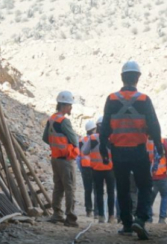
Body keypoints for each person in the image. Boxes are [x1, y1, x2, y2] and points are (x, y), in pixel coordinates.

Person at [100, 61, 162, 240]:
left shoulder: (111, 99)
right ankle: (140, 219)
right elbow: (154, 124)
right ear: (137, 78)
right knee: (144, 186)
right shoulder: (144, 100)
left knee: (123, 187)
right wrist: (158, 144)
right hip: (139, 151)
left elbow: (104, 127)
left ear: (122, 77)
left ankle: (127, 224)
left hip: (118, 151)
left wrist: (104, 149)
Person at [42, 90, 79, 227]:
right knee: (70, 188)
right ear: (64, 105)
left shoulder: (51, 118)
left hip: (55, 158)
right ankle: (70, 218)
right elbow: (74, 140)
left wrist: (56, 146)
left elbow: (45, 138)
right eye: (70, 105)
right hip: (65, 159)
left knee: (58, 187)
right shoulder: (64, 121)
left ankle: (57, 213)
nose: (71, 108)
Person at [82, 117, 116, 223]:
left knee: (99, 192)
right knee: (111, 192)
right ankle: (111, 216)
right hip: (110, 170)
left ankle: (101, 216)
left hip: (96, 170)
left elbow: (85, 151)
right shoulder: (112, 138)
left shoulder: (92, 138)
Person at [147, 138, 167, 224]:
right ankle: (162, 218)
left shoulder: (145, 140)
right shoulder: (162, 141)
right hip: (162, 175)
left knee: (149, 198)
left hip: (150, 176)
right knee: (165, 195)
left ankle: (149, 218)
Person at [79, 120, 97, 218]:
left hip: (85, 168)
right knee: (97, 190)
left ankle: (88, 210)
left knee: (88, 190)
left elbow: (78, 157)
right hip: (95, 167)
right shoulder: (95, 138)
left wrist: (81, 168)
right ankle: (97, 212)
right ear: (93, 129)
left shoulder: (81, 140)